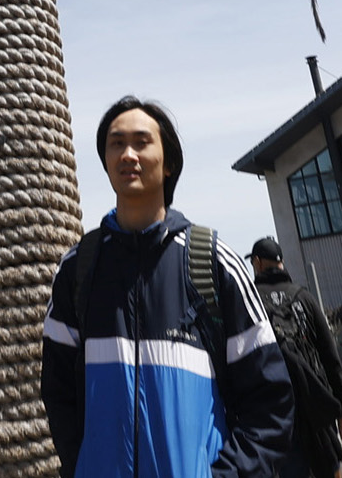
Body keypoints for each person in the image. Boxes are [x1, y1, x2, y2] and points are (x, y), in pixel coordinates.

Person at [40, 95, 293, 477]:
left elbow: (271, 400)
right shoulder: (78, 269)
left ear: (170, 162)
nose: (128, 154)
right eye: (116, 143)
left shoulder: (215, 263)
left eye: (142, 142)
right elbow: (58, 393)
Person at [247, 236, 342, 477]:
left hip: (275, 411)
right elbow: (330, 356)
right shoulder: (304, 298)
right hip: (316, 402)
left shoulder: (251, 301)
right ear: (282, 264)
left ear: (256, 262)